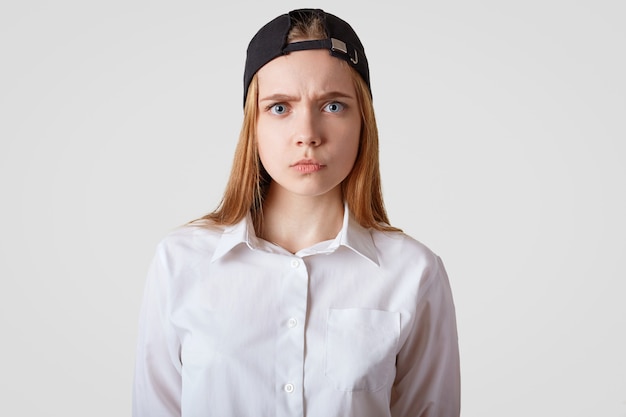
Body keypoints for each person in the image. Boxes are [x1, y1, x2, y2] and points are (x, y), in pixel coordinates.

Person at [132, 8, 460, 417]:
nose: (307, 134)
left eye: (334, 106)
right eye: (280, 107)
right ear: (253, 123)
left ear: (364, 122)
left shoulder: (415, 273)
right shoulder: (180, 262)